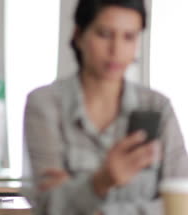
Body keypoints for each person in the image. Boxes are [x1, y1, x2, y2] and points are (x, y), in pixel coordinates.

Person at [23, 0, 188, 214]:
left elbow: (180, 200)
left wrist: (94, 206)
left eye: (129, 37)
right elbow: (48, 204)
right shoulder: (45, 103)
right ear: (79, 35)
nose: (116, 50)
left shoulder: (157, 106)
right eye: (104, 34)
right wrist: (101, 181)